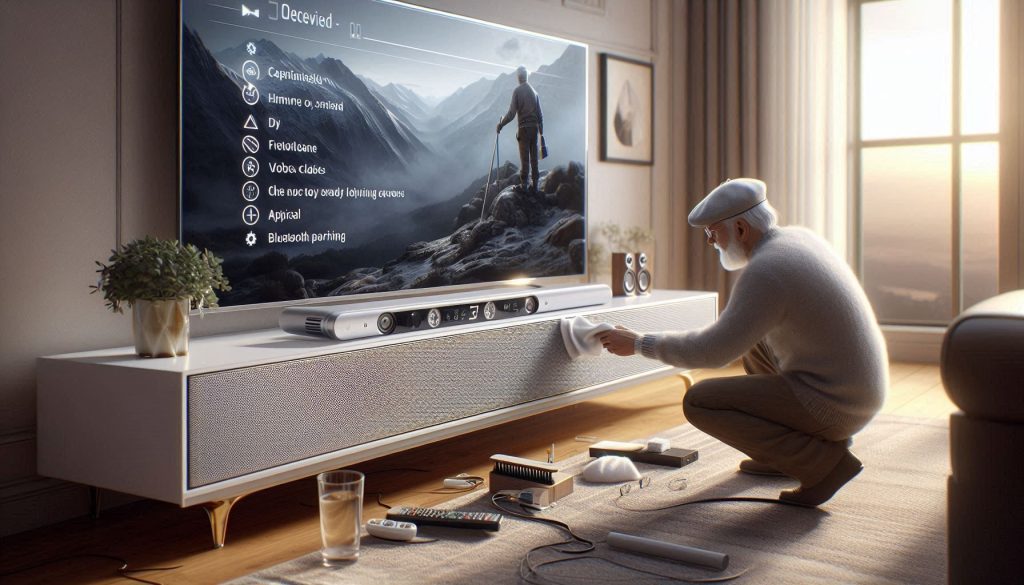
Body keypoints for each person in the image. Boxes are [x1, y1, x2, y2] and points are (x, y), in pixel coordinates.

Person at [598, 178, 888, 507]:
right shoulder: (798, 239)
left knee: (700, 401)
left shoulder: (767, 271)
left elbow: (713, 351)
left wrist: (638, 343)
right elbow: (731, 337)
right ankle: (785, 453)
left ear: (740, 228)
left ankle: (822, 466)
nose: (710, 240)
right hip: (859, 393)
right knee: (753, 341)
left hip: (836, 407)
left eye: (712, 231)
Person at [497, 65, 544, 193]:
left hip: (523, 129)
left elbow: (511, 113)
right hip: (534, 129)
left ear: (519, 76)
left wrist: (501, 124)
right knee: (534, 158)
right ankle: (535, 185)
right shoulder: (535, 92)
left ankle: (524, 186)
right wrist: (541, 132)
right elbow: (540, 115)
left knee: (525, 160)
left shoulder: (517, 91)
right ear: (527, 76)